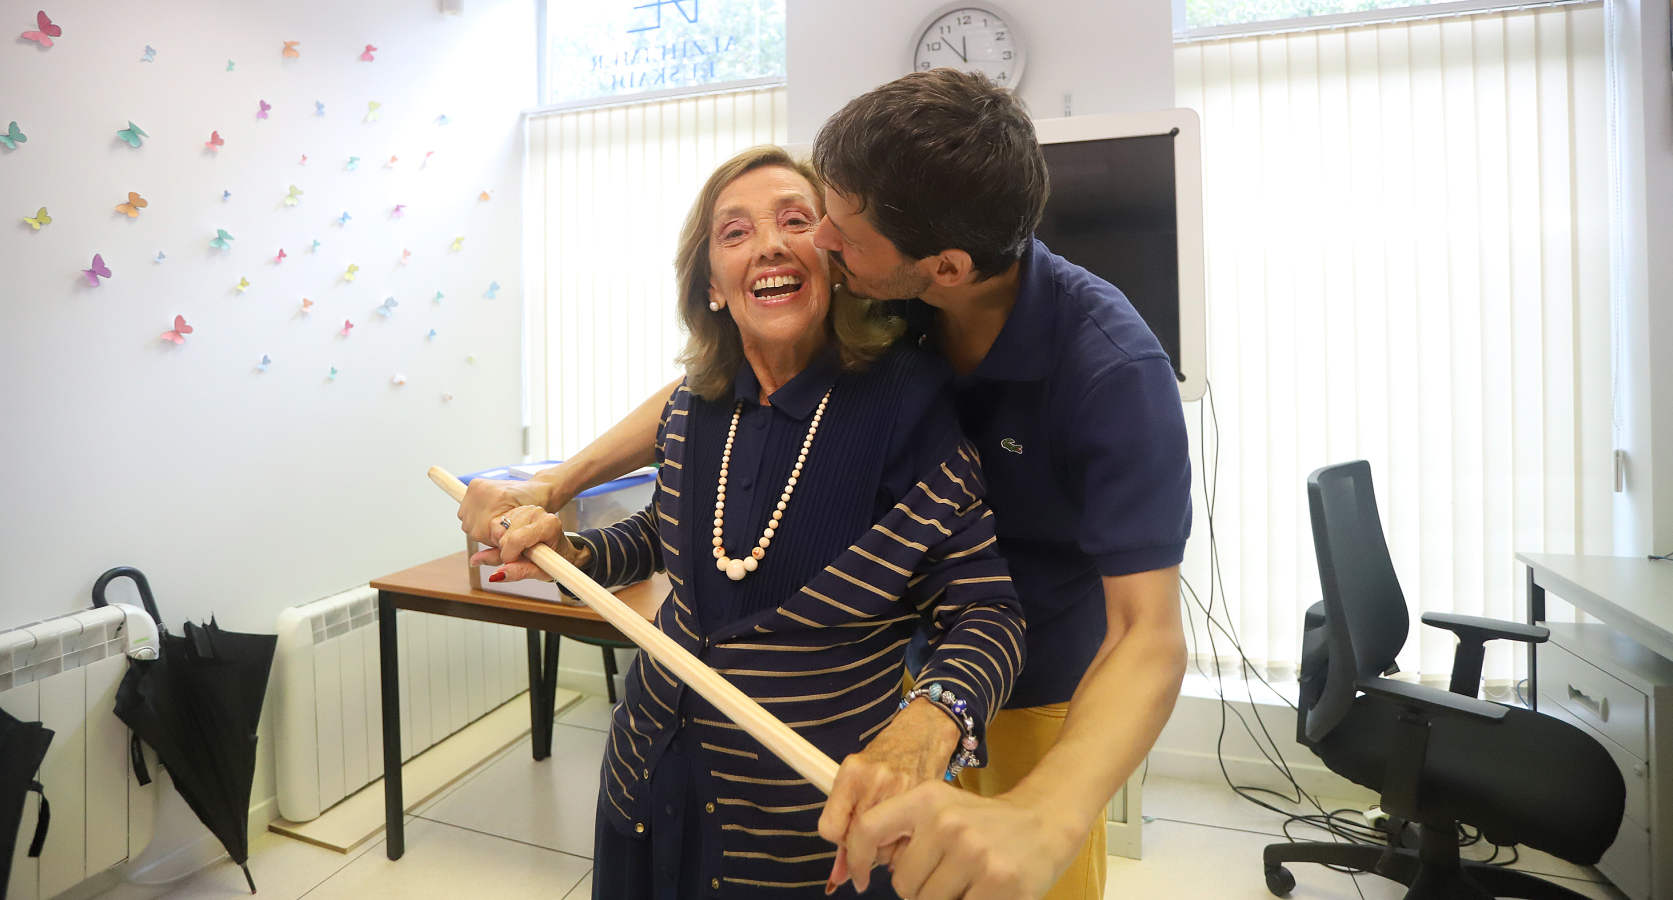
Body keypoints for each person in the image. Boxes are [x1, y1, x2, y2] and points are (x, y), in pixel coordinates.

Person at [466, 69, 1192, 900]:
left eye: (821, 227)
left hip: (1040, 675)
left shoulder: (1103, 372)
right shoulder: (872, 298)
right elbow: (689, 429)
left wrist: (1039, 811)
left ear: (942, 269)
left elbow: (1143, 634)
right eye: (737, 232)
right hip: (828, 699)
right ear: (709, 283)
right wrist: (556, 490)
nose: (811, 242)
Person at [475, 145, 1026, 899]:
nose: (768, 244)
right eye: (734, 233)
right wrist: (568, 551)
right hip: (644, 783)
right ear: (711, 285)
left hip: (803, 834)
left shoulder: (906, 402)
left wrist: (930, 722)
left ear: (835, 256)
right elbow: (663, 534)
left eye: (795, 221)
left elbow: (987, 611)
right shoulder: (694, 403)